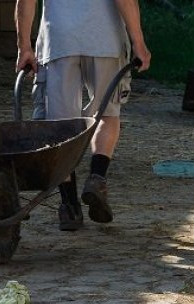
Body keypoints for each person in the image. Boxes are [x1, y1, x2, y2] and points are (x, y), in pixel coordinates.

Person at [15, 0, 151, 231]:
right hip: (105, 37)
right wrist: (138, 41)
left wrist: (24, 47)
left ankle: (69, 205)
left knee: (60, 127)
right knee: (107, 113)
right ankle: (97, 177)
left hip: (59, 41)